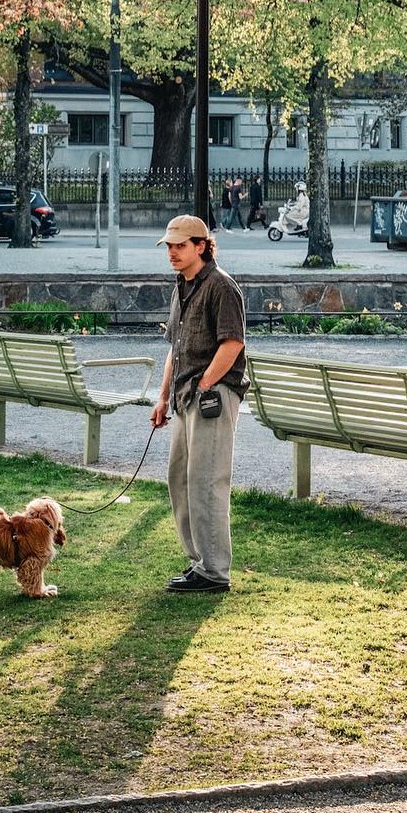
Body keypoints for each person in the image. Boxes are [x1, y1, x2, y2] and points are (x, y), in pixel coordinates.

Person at [150, 214, 247, 593]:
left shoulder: (222, 287)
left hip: (213, 398)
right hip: (184, 397)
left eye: (180, 246)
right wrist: (163, 397)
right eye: (169, 246)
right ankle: (199, 561)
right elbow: (176, 347)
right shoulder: (181, 287)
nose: (172, 253)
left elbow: (233, 344)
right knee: (181, 479)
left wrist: (206, 383)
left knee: (207, 481)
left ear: (202, 246)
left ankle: (214, 571)